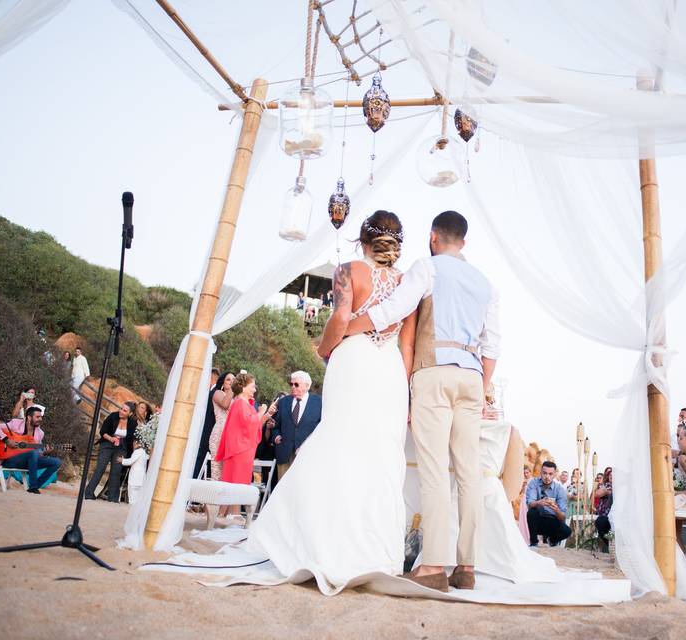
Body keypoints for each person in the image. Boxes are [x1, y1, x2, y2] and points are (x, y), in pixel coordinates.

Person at [189, 211, 412, 593]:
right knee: (380, 454)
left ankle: (322, 541)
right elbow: (406, 345)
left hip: (354, 360)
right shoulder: (409, 285)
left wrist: (325, 349)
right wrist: (402, 391)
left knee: (339, 442)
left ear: (362, 240)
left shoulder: (348, 271)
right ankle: (375, 551)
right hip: (390, 371)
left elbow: (341, 317)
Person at [345, 210, 500, 592]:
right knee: (469, 474)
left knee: (433, 470)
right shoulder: (486, 284)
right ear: (462, 241)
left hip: (433, 372)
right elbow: (493, 346)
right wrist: (481, 388)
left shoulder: (428, 268)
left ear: (434, 237)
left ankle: (432, 565)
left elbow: (394, 309)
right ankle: (467, 567)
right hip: (472, 377)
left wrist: (351, 328)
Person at [215, 372, 269, 523]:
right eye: (252, 386)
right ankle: (233, 514)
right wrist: (261, 413)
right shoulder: (239, 403)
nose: (254, 390)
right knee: (236, 481)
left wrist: (264, 416)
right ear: (244, 387)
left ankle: (225, 514)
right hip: (240, 448)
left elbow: (253, 425)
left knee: (237, 480)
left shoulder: (244, 403)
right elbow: (249, 423)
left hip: (244, 448)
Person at [0, 406, 61, 493]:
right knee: (32, 453)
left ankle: (34, 486)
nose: (40, 419)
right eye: (37, 417)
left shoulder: (40, 433)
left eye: (41, 417)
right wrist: (7, 440)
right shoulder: (16, 424)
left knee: (56, 462)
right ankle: (33, 486)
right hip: (9, 459)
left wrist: (44, 451)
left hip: (28, 461)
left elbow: (37, 453)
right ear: (29, 417)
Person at [270, 371, 322, 479]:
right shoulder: (283, 402)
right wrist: (276, 436)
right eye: (291, 384)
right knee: (283, 491)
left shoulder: (319, 402)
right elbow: (275, 426)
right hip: (284, 453)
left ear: (307, 386)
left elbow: (321, 427)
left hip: (307, 455)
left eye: (296, 384)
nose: (293, 387)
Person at [84, 402, 137, 501]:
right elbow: (102, 432)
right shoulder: (113, 416)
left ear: (130, 413)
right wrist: (111, 439)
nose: (121, 411)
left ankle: (113, 498)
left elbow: (131, 439)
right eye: (121, 408)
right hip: (107, 444)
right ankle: (88, 493)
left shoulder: (133, 423)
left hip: (121, 447)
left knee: (116, 472)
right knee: (100, 468)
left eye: (125, 410)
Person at [525, 460, 571, 547]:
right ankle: (534, 542)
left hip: (552, 520)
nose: (547, 476)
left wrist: (557, 510)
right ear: (540, 472)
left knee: (567, 531)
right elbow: (530, 503)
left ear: (554, 475)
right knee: (532, 512)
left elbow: (563, 517)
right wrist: (539, 502)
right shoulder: (534, 483)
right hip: (538, 520)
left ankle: (552, 540)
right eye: (544, 473)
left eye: (550, 474)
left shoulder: (560, 489)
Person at [207, 371, 235, 480]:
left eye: (234, 379)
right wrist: (233, 388)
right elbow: (225, 404)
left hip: (231, 434)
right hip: (219, 433)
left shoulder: (236, 399)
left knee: (227, 471)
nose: (231, 381)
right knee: (217, 470)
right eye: (228, 379)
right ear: (222, 382)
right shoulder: (217, 393)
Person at [119, 436, 148, 505]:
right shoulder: (144, 452)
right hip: (141, 478)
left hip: (135, 478)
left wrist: (122, 460)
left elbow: (130, 461)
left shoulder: (138, 451)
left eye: (133, 443)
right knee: (137, 497)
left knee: (132, 497)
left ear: (136, 442)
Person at [594, 467, 614, 552]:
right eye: (610, 475)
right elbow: (597, 494)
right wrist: (607, 491)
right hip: (605, 514)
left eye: (613, 475)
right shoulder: (607, 485)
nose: (611, 476)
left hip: (618, 515)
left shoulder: (622, 486)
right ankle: (608, 544)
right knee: (600, 522)